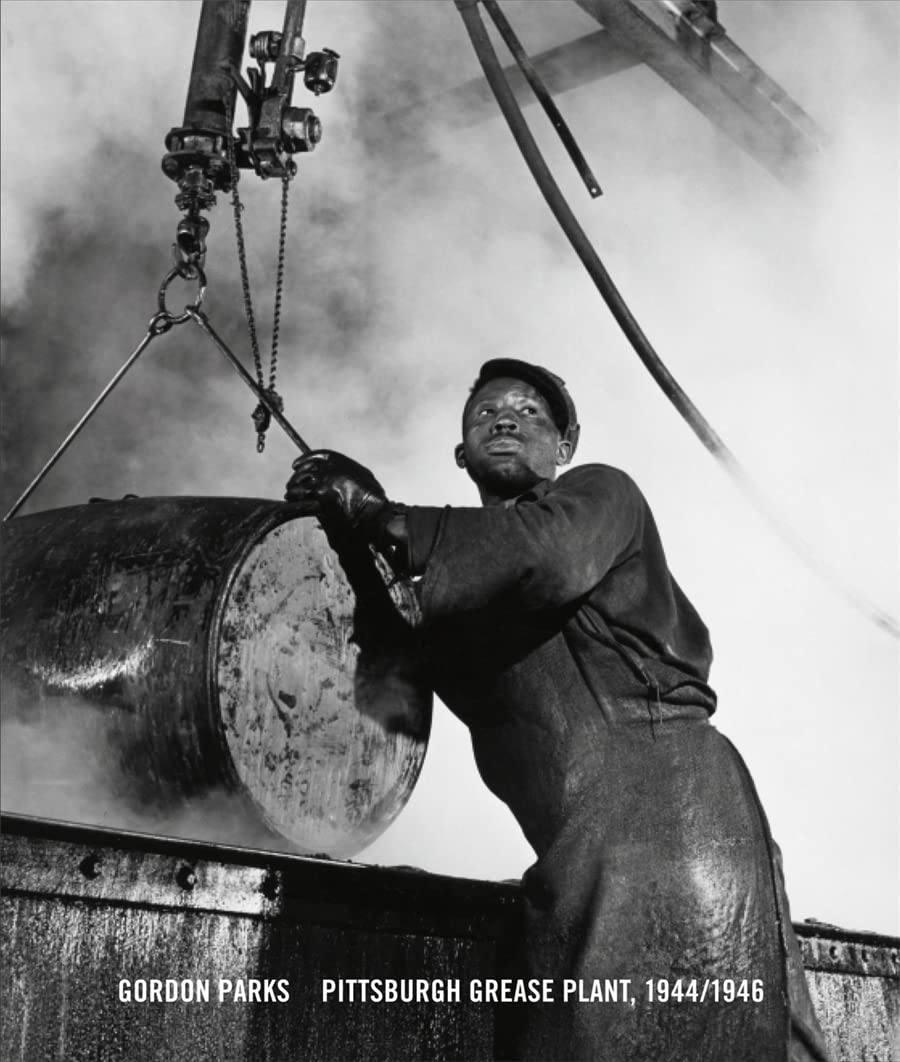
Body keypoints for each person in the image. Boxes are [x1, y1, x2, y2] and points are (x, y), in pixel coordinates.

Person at [285, 359, 828, 1062]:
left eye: (530, 414)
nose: (505, 419)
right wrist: (351, 532)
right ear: (461, 455)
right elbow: (390, 652)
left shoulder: (598, 498)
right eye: (485, 414)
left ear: (565, 447)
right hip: (574, 848)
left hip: (672, 817)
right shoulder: (458, 580)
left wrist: (384, 518)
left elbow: (540, 558)